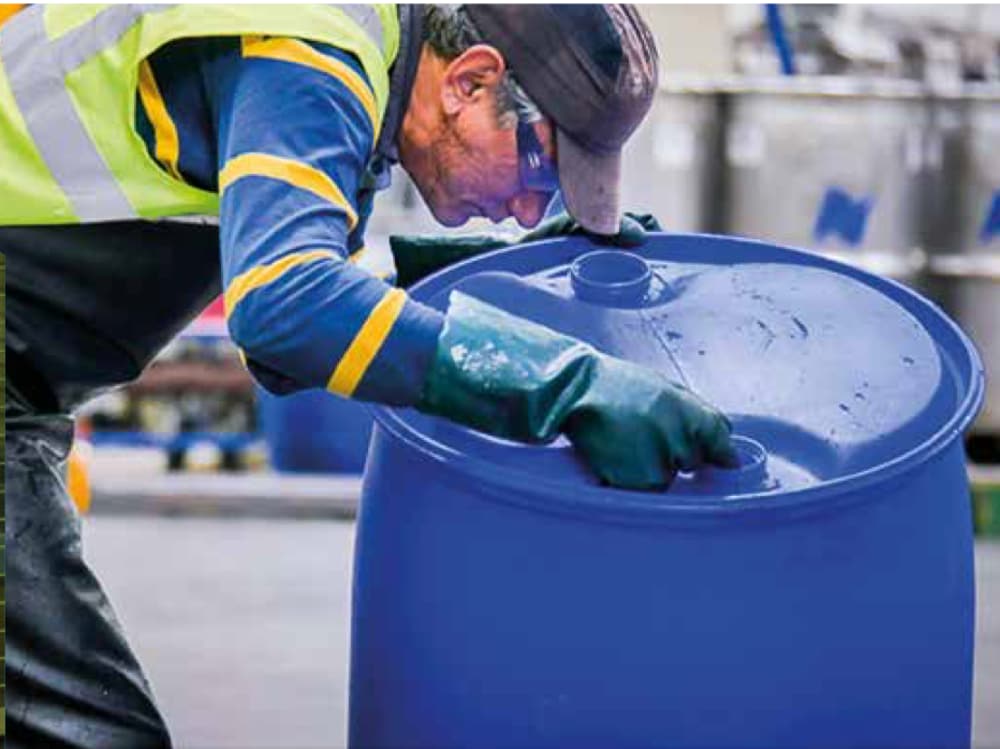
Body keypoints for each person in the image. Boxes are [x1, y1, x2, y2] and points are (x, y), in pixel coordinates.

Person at [1, 5, 735, 747]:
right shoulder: (309, 50)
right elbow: (285, 305)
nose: (521, 209)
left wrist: (485, 271)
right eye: (538, 169)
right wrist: (565, 384)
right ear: (471, 80)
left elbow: (289, 335)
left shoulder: (355, 63)